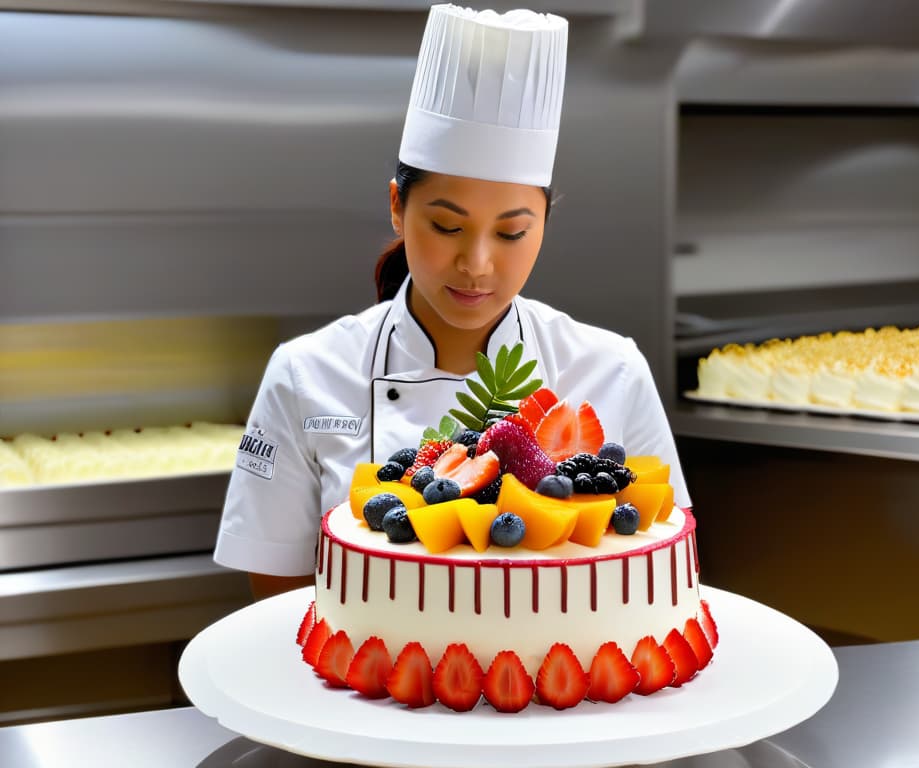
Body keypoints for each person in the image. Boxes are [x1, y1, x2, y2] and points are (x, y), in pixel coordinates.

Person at [213, 3, 690, 600]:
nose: (477, 264)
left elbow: (660, 571)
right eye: (445, 226)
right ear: (397, 206)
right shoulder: (306, 373)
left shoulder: (612, 370)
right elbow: (278, 601)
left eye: (512, 233)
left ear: (544, 222)